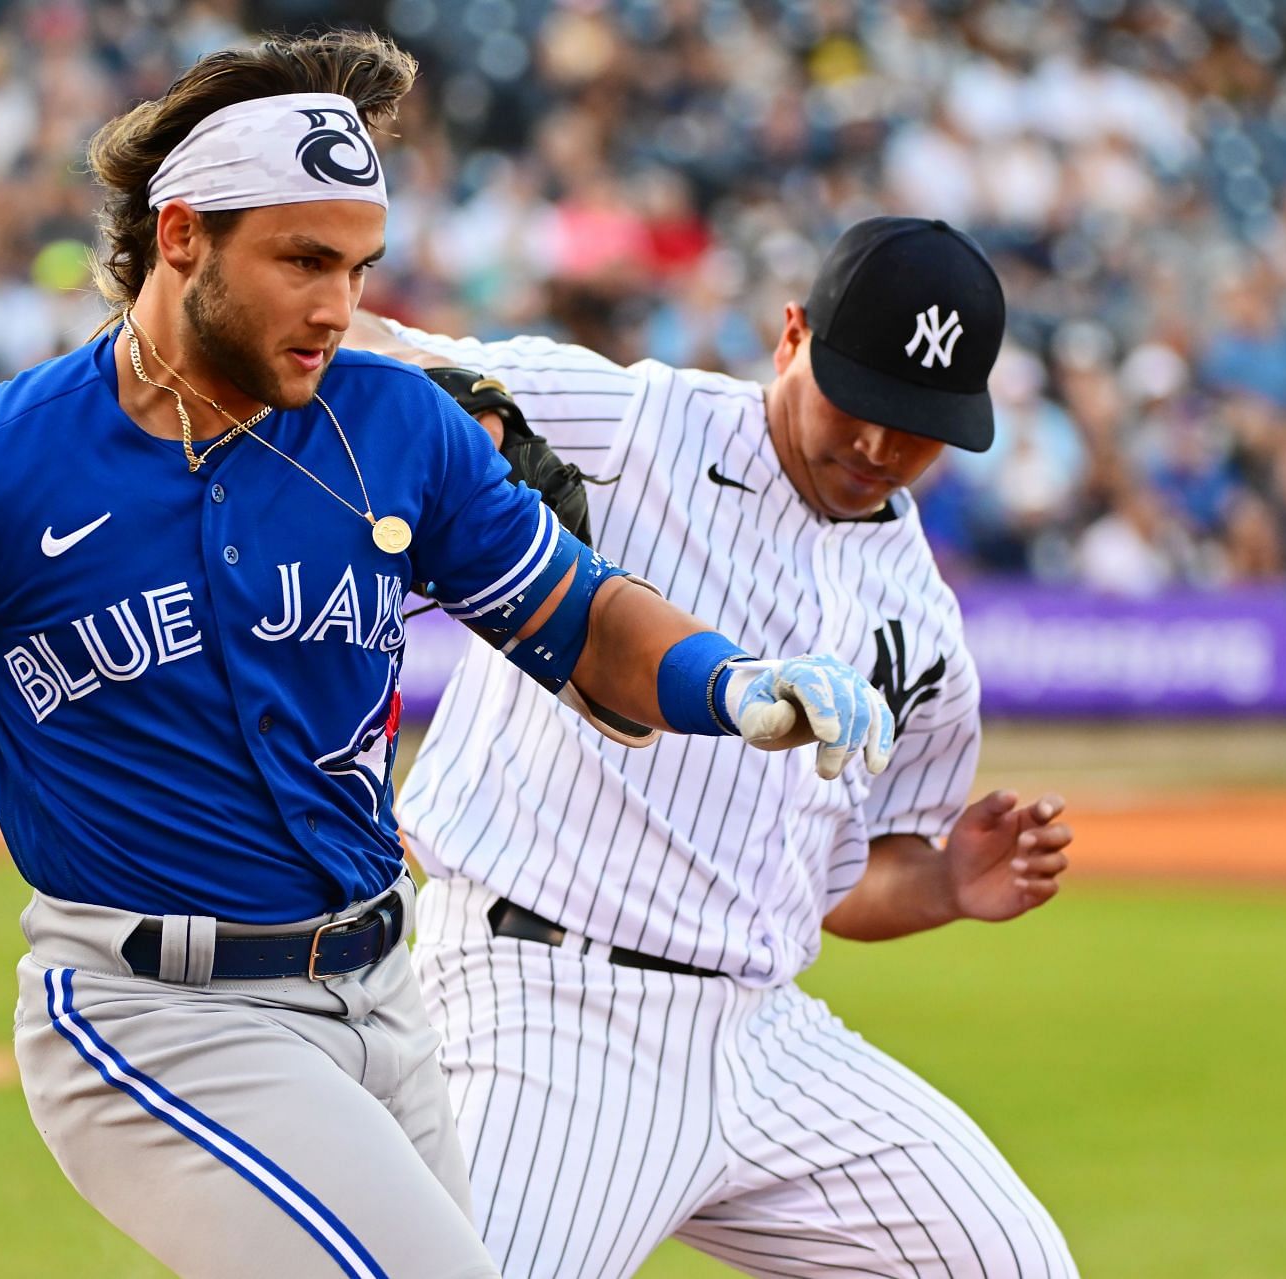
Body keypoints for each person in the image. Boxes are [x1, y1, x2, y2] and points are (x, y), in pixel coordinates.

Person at [0, 33, 896, 1279]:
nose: (339, 306)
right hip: (151, 1009)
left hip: (384, 998)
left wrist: (732, 683)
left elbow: (577, 613)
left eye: (360, 267)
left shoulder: (397, 425)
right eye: (302, 259)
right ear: (180, 236)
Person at [354, 216, 1081, 1278]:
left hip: (765, 1036)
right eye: (860, 401)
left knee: (1013, 1266)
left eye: (916, 424)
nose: (878, 446)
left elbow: (843, 883)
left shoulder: (921, 617)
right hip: (551, 1000)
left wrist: (945, 886)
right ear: (792, 338)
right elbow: (376, 353)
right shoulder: (636, 423)